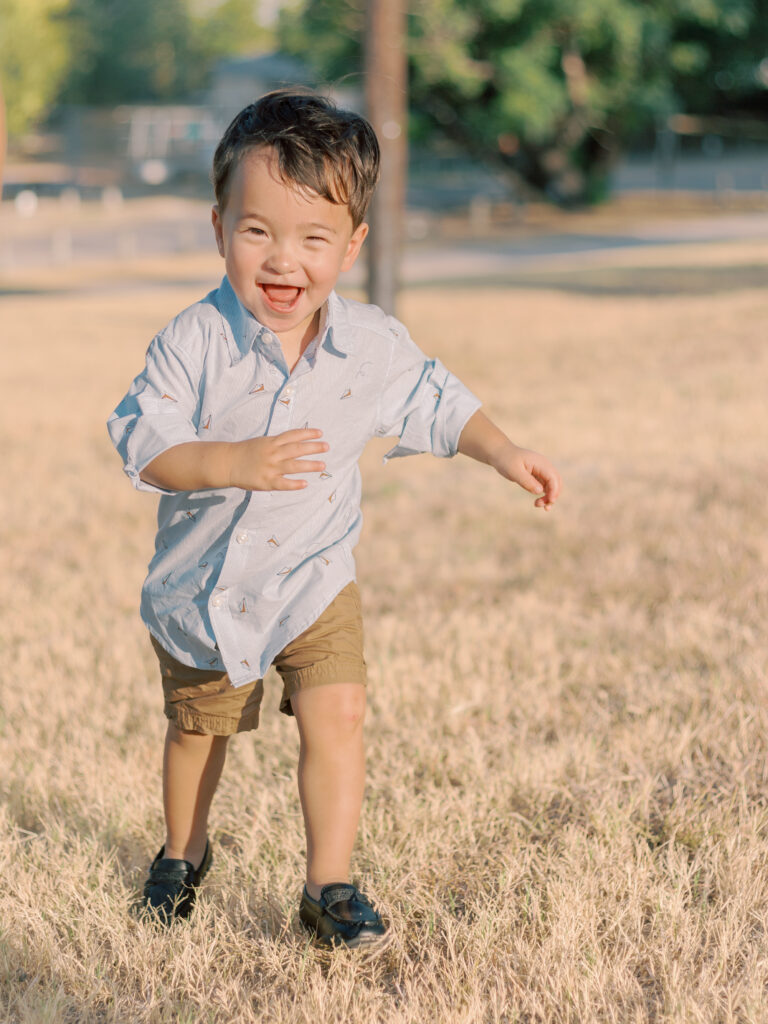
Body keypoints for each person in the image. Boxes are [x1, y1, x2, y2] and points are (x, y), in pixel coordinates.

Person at [107, 89, 561, 951]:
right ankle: (182, 853)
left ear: (351, 245)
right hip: (210, 590)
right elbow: (141, 436)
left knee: (339, 710)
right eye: (258, 232)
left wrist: (505, 453)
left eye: (314, 239)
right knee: (199, 733)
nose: (284, 261)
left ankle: (330, 884)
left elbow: (438, 398)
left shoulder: (372, 345)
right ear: (218, 227)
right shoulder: (194, 341)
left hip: (315, 577)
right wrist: (230, 463)